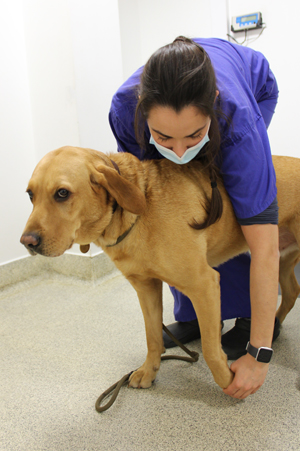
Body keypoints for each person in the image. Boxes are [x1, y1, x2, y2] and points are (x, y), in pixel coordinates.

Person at [109, 36, 280, 399]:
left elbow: (266, 249)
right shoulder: (125, 111)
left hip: (256, 90)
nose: (181, 152)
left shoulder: (239, 124)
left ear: (213, 104)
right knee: (169, 212)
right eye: (163, 137)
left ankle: (251, 316)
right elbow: (151, 210)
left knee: (226, 210)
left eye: (194, 135)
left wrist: (259, 353)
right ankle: (196, 314)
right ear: (142, 109)